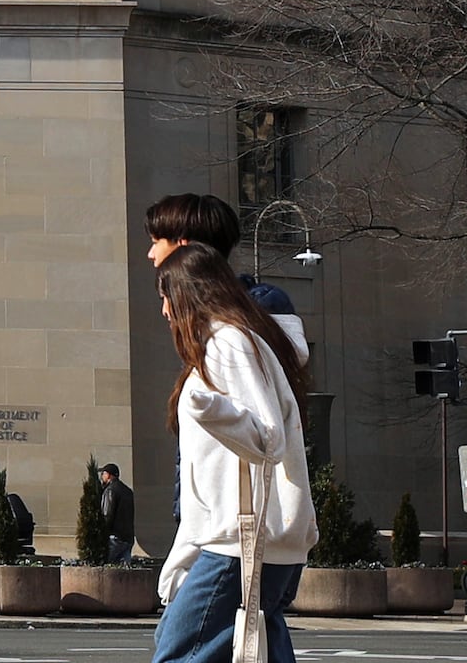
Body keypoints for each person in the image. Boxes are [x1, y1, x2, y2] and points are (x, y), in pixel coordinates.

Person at [151, 245, 310, 663]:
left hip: (238, 546)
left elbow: (269, 438)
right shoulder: (232, 343)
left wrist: (210, 409)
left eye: (166, 296)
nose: (165, 311)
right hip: (251, 541)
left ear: (187, 294)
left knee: (178, 653)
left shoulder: (228, 344)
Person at [145, 196, 306, 358]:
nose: (151, 254)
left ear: (183, 247)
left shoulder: (239, 325)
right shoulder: (233, 313)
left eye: (156, 242)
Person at [93, 464, 140, 566]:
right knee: (124, 571)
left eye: (104, 473)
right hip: (128, 538)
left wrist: (102, 535)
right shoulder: (128, 491)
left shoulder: (110, 490)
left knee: (106, 567)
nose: (102, 476)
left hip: (115, 537)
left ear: (109, 475)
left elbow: (107, 515)